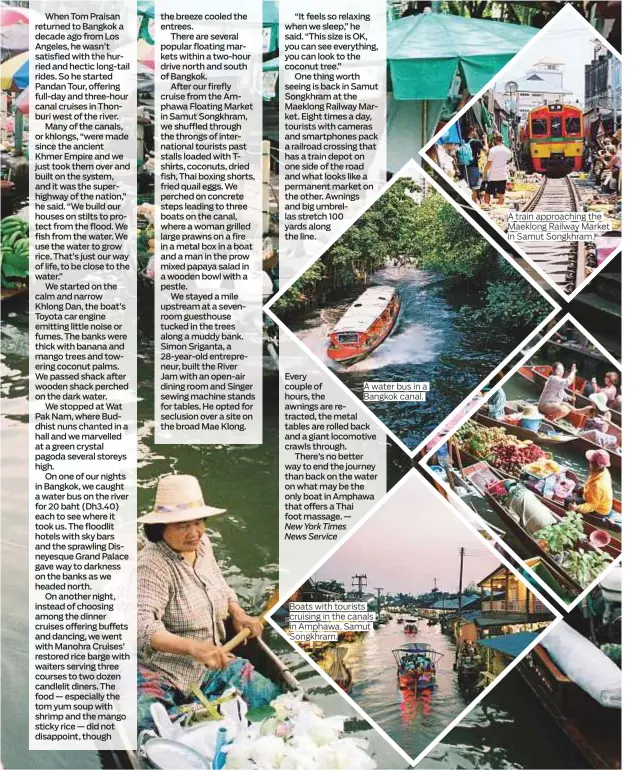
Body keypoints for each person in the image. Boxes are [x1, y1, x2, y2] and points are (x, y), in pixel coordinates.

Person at [137, 474, 281, 732]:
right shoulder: (152, 564)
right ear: (161, 527)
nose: (195, 533)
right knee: (144, 726)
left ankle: (204, 713)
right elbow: (142, 627)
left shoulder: (202, 545)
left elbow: (220, 585)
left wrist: (237, 612)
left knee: (270, 696)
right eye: (182, 525)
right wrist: (194, 648)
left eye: (199, 522)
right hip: (162, 672)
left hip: (213, 664)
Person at [568, 450, 613, 518]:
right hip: (597, 499)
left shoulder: (597, 485)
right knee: (577, 486)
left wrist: (577, 508)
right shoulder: (604, 471)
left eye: (590, 462)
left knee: (568, 501)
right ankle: (576, 497)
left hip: (599, 510)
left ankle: (569, 515)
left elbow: (592, 505)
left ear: (593, 464)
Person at [483, 132, 512, 206]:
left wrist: (484, 172)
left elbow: (489, 163)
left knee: (487, 193)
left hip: (493, 176)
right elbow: (508, 160)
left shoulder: (492, 150)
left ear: (495, 140)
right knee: (501, 194)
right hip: (503, 175)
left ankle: (486, 206)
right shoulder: (507, 151)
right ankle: (500, 207)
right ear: (502, 140)